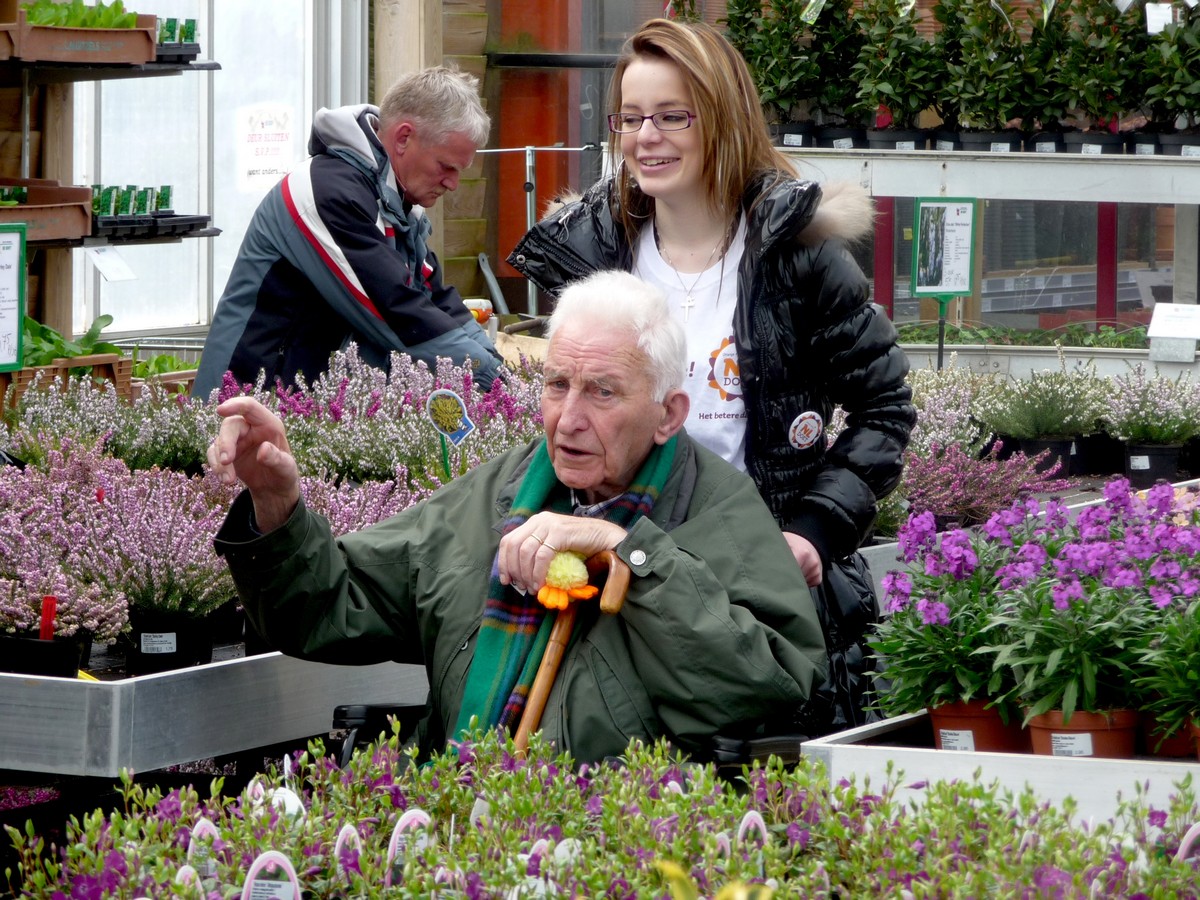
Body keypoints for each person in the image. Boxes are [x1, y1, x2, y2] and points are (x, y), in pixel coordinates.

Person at [208, 270, 827, 763]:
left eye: (603, 391)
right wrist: (277, 505)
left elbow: (765, 687)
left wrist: (627, 551)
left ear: (668, 414)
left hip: (622, 848)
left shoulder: (718, 511)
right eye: (558, 384)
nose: (569, 418)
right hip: (459, 830)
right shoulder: (501, 493)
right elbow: (331, 605)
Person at [508, 18, 916, 736]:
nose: (646, 137)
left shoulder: (798, 258)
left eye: (672, 116)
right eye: (630, 118)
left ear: (721, 120)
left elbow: (883, 408)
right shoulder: (598, 256)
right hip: (617, 585)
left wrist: (812, 532)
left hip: (754, 587)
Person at [192, 66, 502, 399]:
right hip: (244, 406)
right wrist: (493, 384)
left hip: (304, 408)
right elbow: (398, 312)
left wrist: (498, 371)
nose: (453, 184)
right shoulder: (327, 193)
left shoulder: (398, 205)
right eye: (446, 166)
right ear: (403, 138)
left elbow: (436, 300)